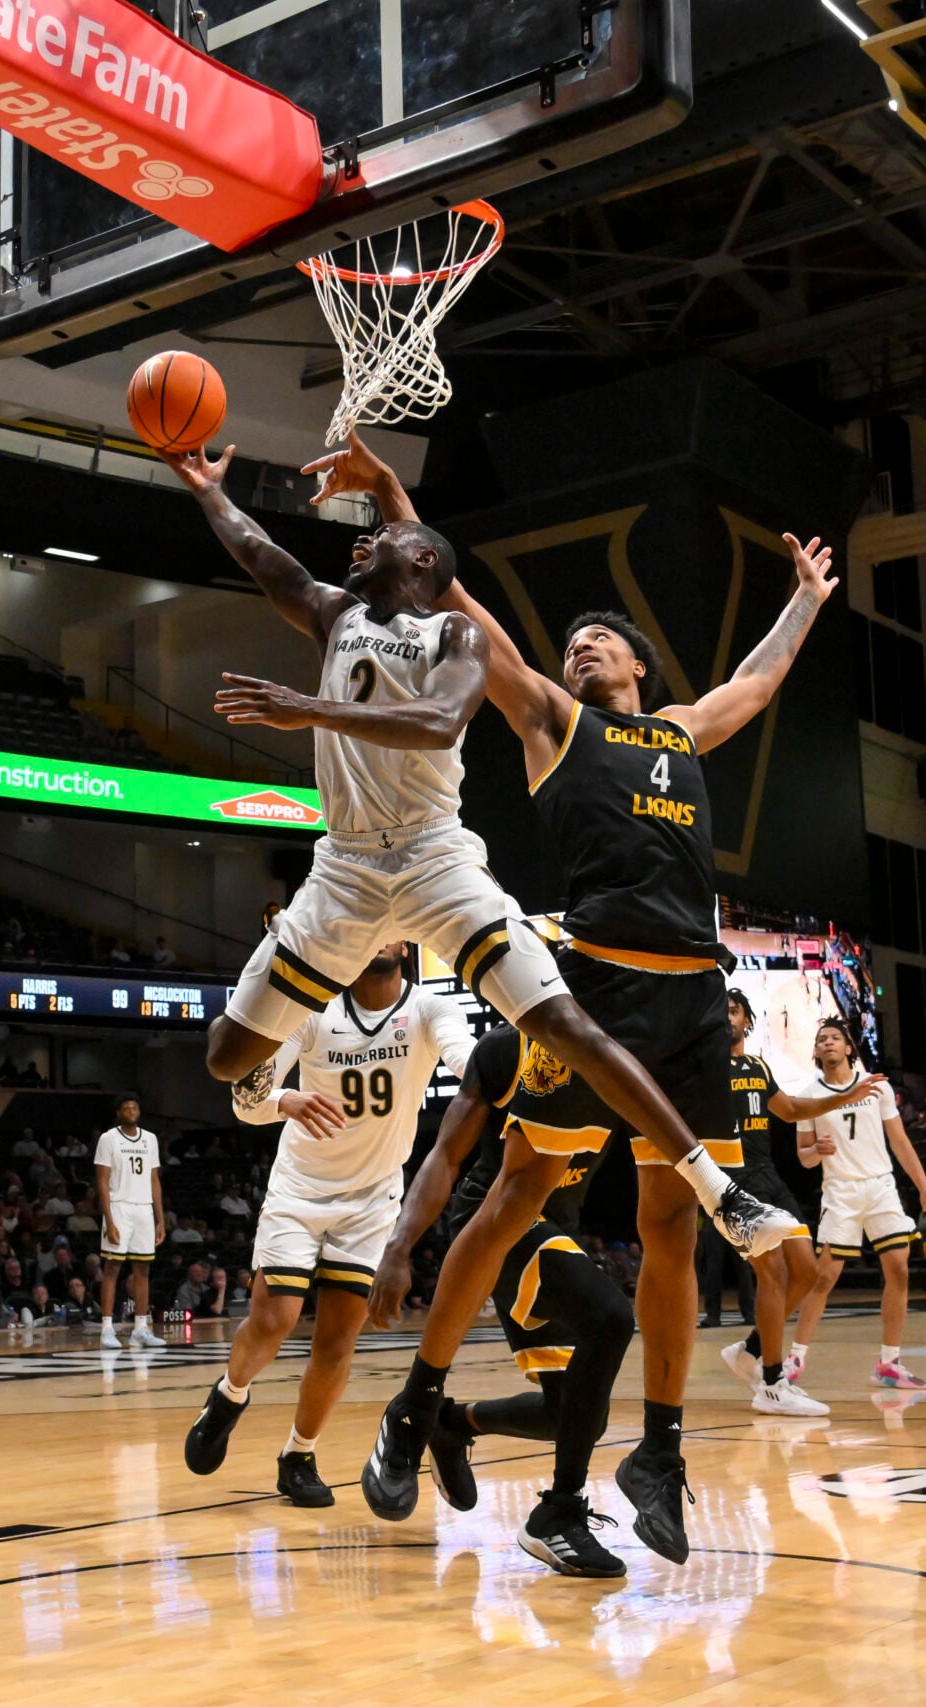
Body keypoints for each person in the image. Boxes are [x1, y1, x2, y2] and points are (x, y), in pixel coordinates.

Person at [314, 430, 820, 1563]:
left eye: (600, 641)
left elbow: (761, 678)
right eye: (574, 641)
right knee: (512, 1200)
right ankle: (415, 1401)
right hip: (590, 998)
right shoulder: (554, 723)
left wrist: (806, 597)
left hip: (693, 1002)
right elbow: (462, 602)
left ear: (639, 666)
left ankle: (662, 1450)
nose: (581, 647)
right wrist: (395, 493)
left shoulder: (683, 732)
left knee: (672, 1228)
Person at [167, 442, 787, 1303]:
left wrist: (306, 706)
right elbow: (259, 554)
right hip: (343, 866)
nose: (359, 542)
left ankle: (721, 1193)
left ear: (421, 559)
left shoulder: (454, 635)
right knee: (227, 1059)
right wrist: (206, 490)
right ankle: (287, 1022)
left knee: (565, 1023)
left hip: (432, 855)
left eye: (381, 535)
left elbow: (432, 721)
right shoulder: (335, 612)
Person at [183, 940, 472, 1508]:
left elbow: (466, 1059)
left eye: (392, 931)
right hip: (301, 1188)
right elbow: (247, 1098)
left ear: (406, 947)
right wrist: (285, 1099)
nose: (380, 940)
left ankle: (298, 1455)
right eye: (372, 930)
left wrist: (504, 1058)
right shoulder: (314, 1011)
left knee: (339, 1339)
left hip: (372, 1200)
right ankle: (229, 1395)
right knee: (274, 1319)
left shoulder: (430, 1010)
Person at [369, 1023, 638, 1576]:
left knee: (576, 1418)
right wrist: (399, 1248)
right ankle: (555, 1514)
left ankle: (452, 1424)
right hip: (492, 1220)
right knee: (610, 1317)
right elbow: (445, 1155)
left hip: (556, 1226)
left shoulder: (623, 1048)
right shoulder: (507, 1048)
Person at [716, 990, 886, 1417]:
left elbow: (789, 1109)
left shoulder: (757, 1065)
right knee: (770, 1274)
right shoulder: (704, 1064)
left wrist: (844, 1097)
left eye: (733, 1011)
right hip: (734, 1177)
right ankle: (772, 1384)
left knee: (808, 1271)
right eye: (720, 1011)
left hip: (768, 1174)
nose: (725, 1017)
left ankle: (751, 1350)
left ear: (747, 1022)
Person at [793, 1019, 926, 1390]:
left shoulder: (877, 1088)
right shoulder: (808, 1096)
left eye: (834, 1038)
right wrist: (815, 1149)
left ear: (848, 1048)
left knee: (899, 1269)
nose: (827, 1043)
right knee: (825, 1276)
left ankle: (889, 1363)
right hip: (841, 1191)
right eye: (821, 1040)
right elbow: (804, 1158)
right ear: (815, 1052)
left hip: (880, 1187)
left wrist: (924, 1187)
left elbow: (900, 1142)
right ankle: (794, 1359)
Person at [95, 1096, 167, 1348]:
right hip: (119, 1207)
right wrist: (109, 1219)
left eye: (134, 1107)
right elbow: (102, 1181)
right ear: (118, 1112)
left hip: (143, 1209)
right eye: (126, 1107)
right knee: (112, 1267)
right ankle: (106, 1329)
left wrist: (160, 1219)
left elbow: (154, 1179)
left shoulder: (150, 1139)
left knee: (143, 1269)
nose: (130, 1110)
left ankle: (141, 1328)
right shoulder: (108, 1138)